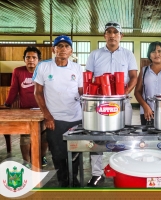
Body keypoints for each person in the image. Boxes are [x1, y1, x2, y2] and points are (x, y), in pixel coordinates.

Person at [85, 21, 138, 187]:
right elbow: (89, 77)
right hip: (101, 103)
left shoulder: (128, 55)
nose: (112, 35)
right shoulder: (95, 54)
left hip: (122, 103)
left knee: (124, 136)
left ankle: (123, 170)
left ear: (121, 36)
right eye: (109, 32)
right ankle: (96, 173)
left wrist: (125, 92)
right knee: (98, 138)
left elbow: (134, 76)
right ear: (104, 36)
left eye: (116, 32)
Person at [33, 35, 83, 187]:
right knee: (58, 153)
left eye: (66, 46)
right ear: (53, 49)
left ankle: (73, 180)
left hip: (75, 118)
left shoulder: (77, 68)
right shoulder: (43, 66)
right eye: (59, 46)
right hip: (55, 119)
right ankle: (63, 181)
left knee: (75, 152)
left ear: (71, 51)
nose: (63, 49)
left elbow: (82, 92)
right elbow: (38, 93)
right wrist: (47, 117)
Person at [4, 46, 48, 169]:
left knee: (45, 136)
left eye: (34, 57)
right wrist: (7, 104)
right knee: (25, 137)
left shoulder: (44, 71)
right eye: (28, 57)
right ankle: (26, 162)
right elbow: (13, 89)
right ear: (24, 59)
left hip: (42, 109)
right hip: (26, 111)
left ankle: (42, 156)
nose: (31, 60)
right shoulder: (18, 71)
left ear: (39, 60)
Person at [134, 41, 161, 125]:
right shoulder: (144, 71)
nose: (156, 54)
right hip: (148, 112)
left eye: (159, 51)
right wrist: (145, 106)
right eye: (153, 51)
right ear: (149, 55)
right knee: (148, 137)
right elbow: (137, 92)